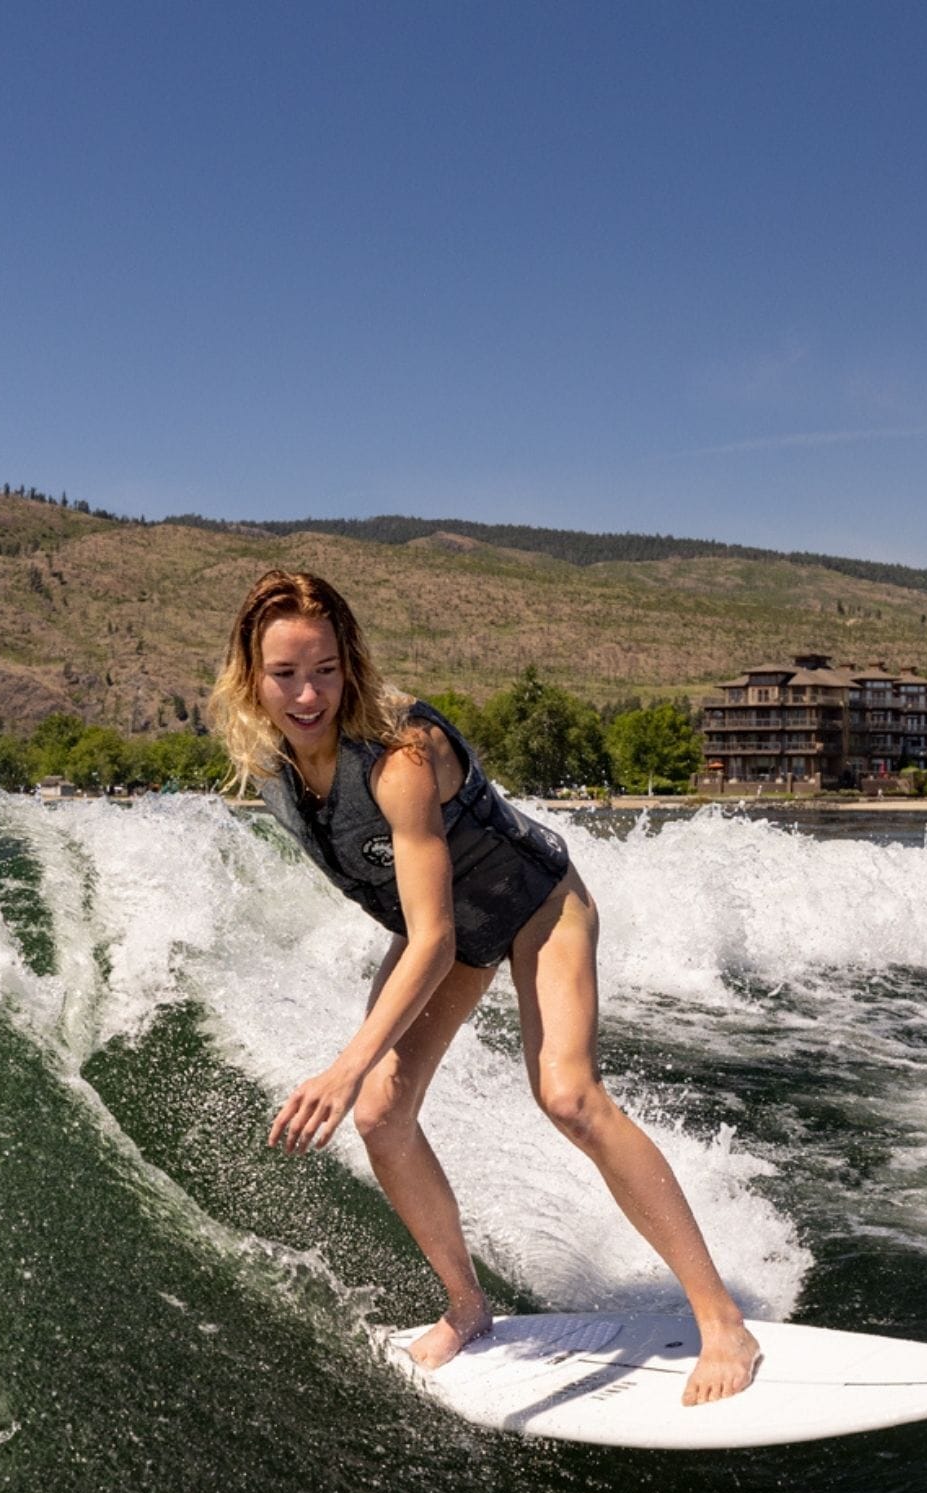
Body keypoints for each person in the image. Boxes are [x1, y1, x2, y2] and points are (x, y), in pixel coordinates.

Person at [208, 569, 761, 1404]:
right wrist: (364, 1073)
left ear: (349, 663)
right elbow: (424, 923)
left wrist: (345, 1061)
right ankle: (469, 1309)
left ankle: (723, 1320)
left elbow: (429, 941)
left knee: (569, 1097)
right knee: (383, 1115)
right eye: (285, 675)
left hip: (537, 904)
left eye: (324, 668)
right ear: (252, 676)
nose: (308, 693)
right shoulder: (273, 765)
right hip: (452, 928)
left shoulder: (397, 759)